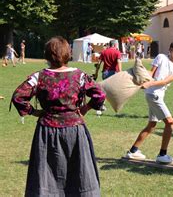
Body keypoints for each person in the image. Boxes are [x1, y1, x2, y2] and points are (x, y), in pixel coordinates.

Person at [11, 36, 106, 196]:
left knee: (47, 175)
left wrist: (34, 112)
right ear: (68, 54)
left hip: (47, 131)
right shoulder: (80, 76)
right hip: (75, 131)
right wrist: (86, 108)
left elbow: (18, 97)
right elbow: (100, 95)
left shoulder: (39, 77)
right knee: (78, 175)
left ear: (47, 55)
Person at [125, 41, 173, 163]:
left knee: (152, 125)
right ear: (171, 49)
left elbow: (165, 81)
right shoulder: (161, 57)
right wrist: (139, 74)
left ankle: (132, 151)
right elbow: (151, 73)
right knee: (170, 123)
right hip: (154, 95)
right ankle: (162, 155)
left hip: (156, 94)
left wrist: (149, 84)